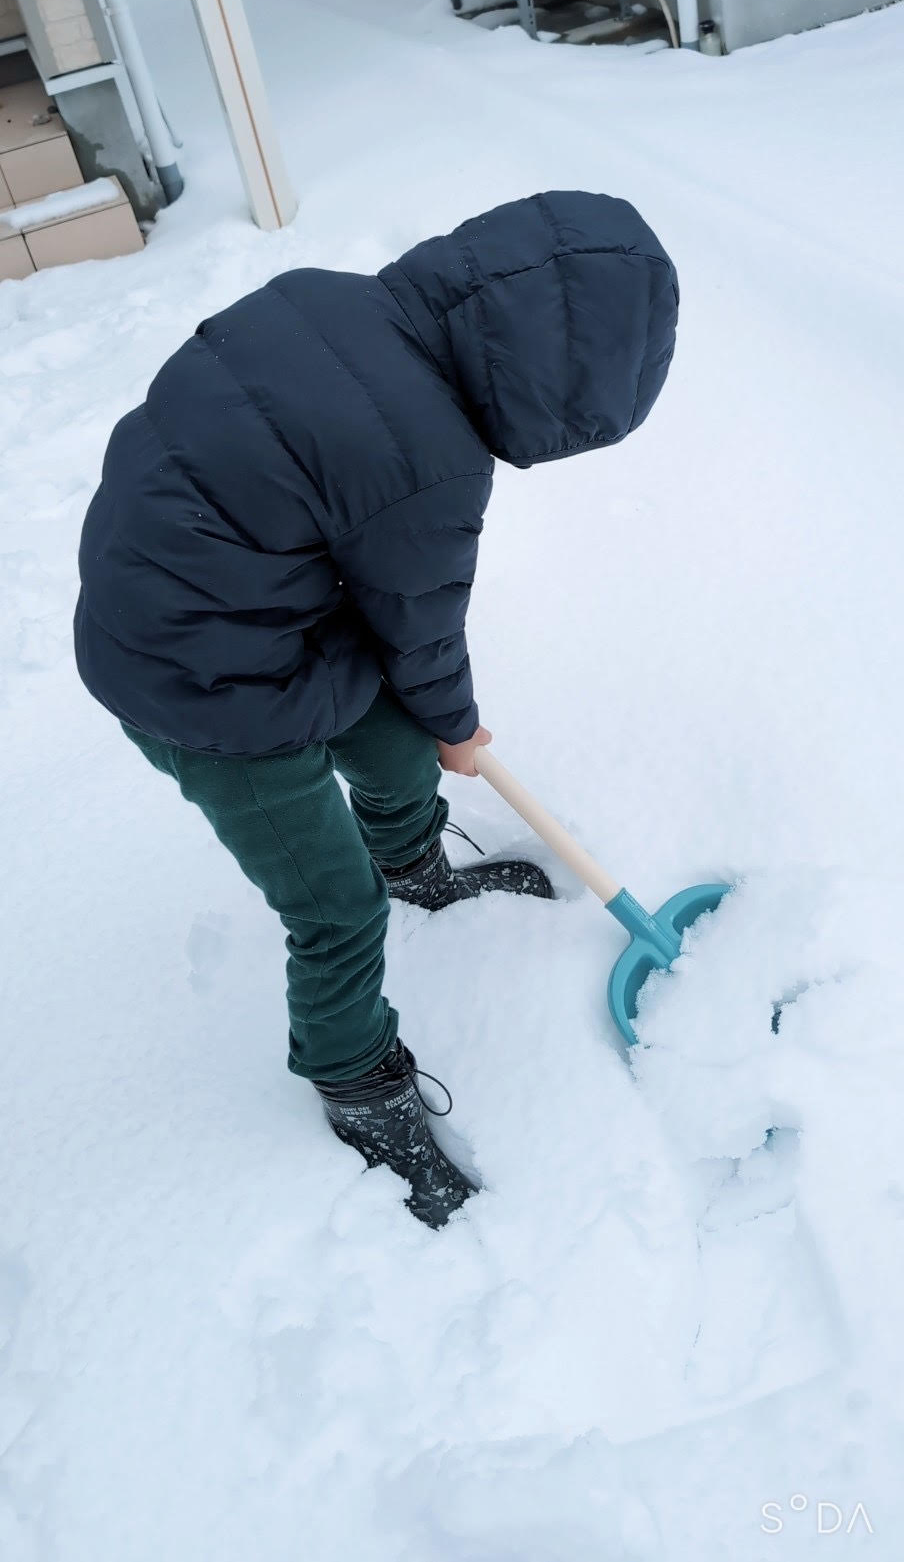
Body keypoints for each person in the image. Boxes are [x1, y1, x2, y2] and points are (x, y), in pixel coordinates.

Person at [74, 190, 679, 1228]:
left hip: (249, 614)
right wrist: (459, 725)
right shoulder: (425, 457)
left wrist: (429, 728)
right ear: (552, 387)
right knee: (334, 906)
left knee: (395, 755)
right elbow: (421, 629)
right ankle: (355, 1078)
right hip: (197, 689)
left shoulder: (334, 300)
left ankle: (415, 866)